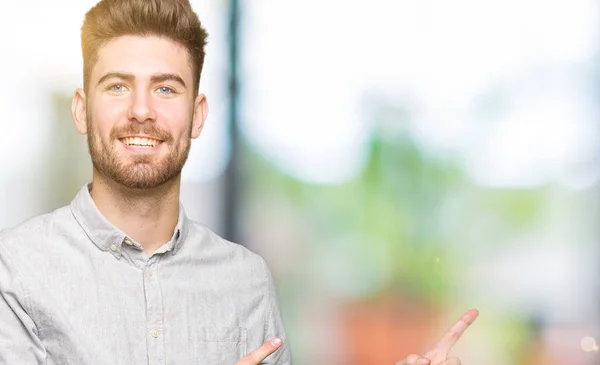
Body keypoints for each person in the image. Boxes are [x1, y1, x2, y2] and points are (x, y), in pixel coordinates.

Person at [0, 0, 478, 364]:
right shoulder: (16, 271)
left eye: (165, 88)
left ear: (198, 114)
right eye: (118, 86)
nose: (141, 110)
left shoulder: (246, 281)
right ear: (83, 110)